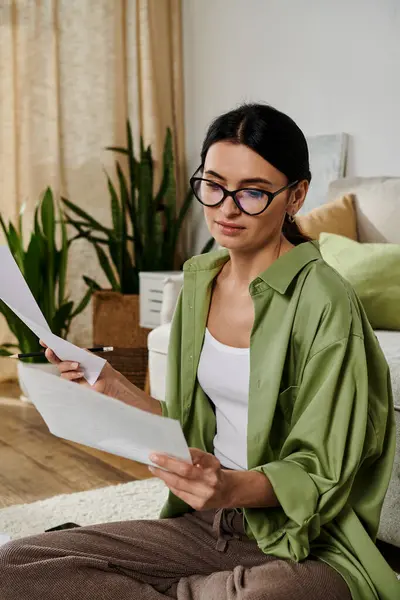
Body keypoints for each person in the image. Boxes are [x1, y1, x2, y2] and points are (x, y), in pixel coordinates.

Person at [0, 104, 398, 600]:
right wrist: (110, 383)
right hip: (207, 526)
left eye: (252, 192)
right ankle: (202, 589)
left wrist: (230, 486)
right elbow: (187, 428)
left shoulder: (326, 302)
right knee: (13, 566)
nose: (226, 208)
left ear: (295, 196)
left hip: (304, 542)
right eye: (213, 184)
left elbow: (323, 471)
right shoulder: (200, 281)